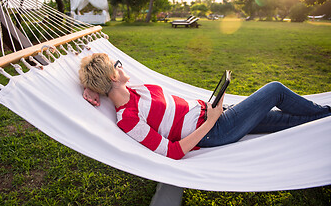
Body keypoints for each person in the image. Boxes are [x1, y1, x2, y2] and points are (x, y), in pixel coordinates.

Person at [79, 53, 331, 160]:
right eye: (117, 64)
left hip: (213, 114)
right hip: (215, 129)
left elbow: (102, 70)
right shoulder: (128, 119)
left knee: (283, 120)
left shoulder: (133, 91)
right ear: (113, 77)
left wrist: (91, 87)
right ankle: (326, 112)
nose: (121, 66)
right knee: (275, 89)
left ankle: (325, 118)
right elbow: (172, 152)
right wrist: (211, 120)